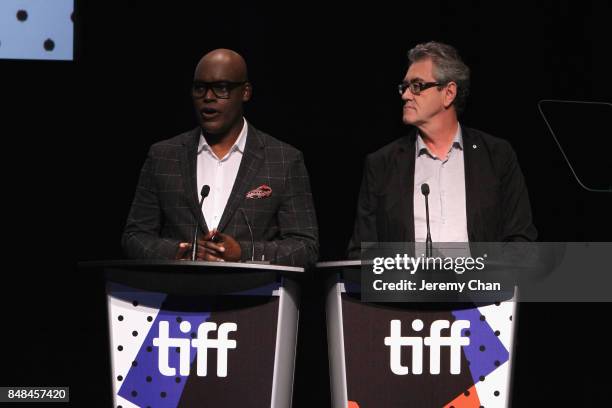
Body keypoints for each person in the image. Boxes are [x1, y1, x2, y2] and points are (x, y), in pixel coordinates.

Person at [122, 49, 318, 267]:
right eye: (200, 88)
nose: (208, 97)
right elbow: (134, 237)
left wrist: (243, 253)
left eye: (221, 88)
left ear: (245, 92)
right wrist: (182, 252)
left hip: (256, 296)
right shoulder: (162, 156)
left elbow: (306, 247)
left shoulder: (284, 160)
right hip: (178, 294)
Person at [348, 41, 536, 257]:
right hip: (409, 288)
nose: (406, 95)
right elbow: (361, 252)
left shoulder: (496, 155)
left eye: (417, 86)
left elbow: (521, 238)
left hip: (480, 287)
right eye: (405, 87)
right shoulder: (381, 164)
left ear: (449, 93)